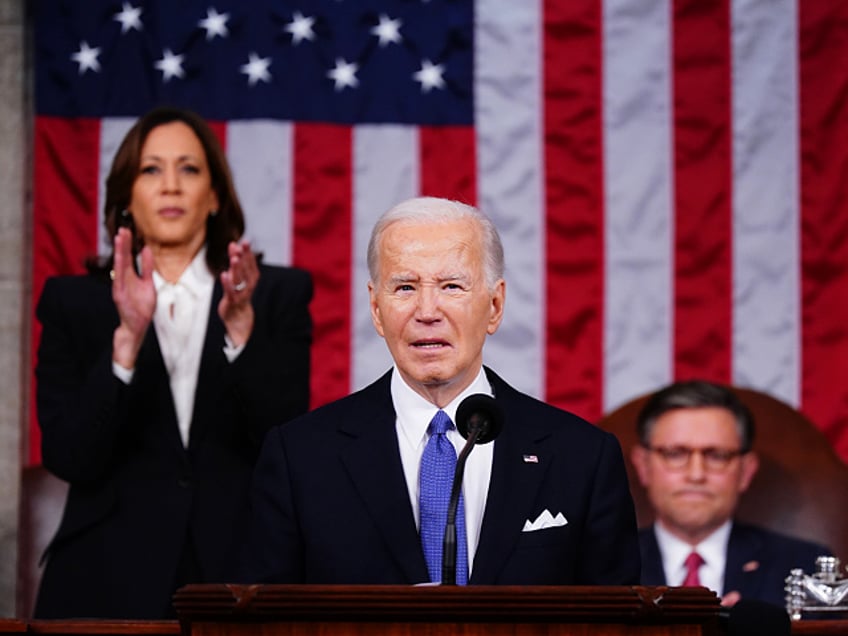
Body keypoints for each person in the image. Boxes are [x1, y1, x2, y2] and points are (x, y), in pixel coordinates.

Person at [239, 196, 640, 585]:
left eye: (451, 286)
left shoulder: (581, 456)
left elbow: (617, 621)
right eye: (405, 288)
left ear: (495, 306)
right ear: (377, 310)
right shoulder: (301, 458)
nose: (427, 312)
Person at [33, 107, 313, 618]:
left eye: (188, 169)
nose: (170, 186)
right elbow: (69, 457)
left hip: (239, 576)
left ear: (213, 196)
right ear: (125, 198)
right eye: (150, 169)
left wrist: (240, 333)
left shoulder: (275, 296)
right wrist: (126, 344)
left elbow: (287, 444)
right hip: (103, 579)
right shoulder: (72, 303)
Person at [631, 380, 830, 609]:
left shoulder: (803, 566)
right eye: (675, 454)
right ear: (643, 466)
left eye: (717, 455)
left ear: (746, 471)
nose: (696, 474)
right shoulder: (604, 566)